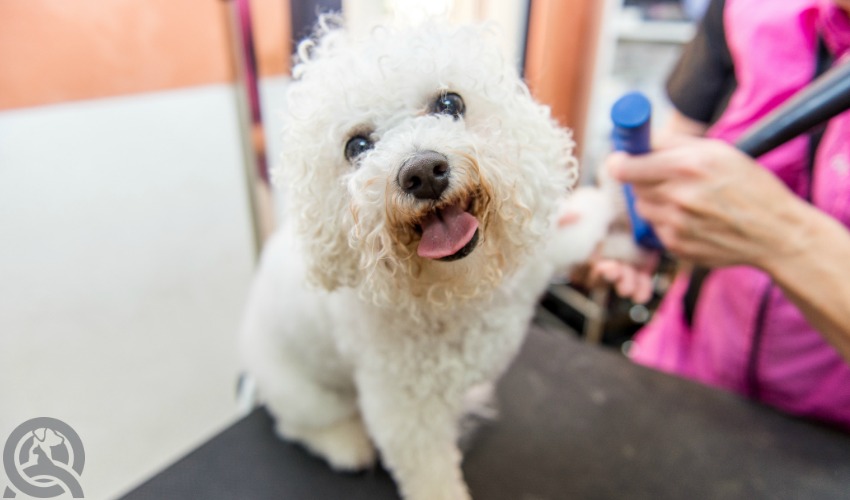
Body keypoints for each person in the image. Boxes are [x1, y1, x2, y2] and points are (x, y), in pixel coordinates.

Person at [593, 0, 850, 430]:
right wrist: (637, 218)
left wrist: (784, 235)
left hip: (824, 429)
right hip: (692, 359)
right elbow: (675, 144)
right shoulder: (740, 10)